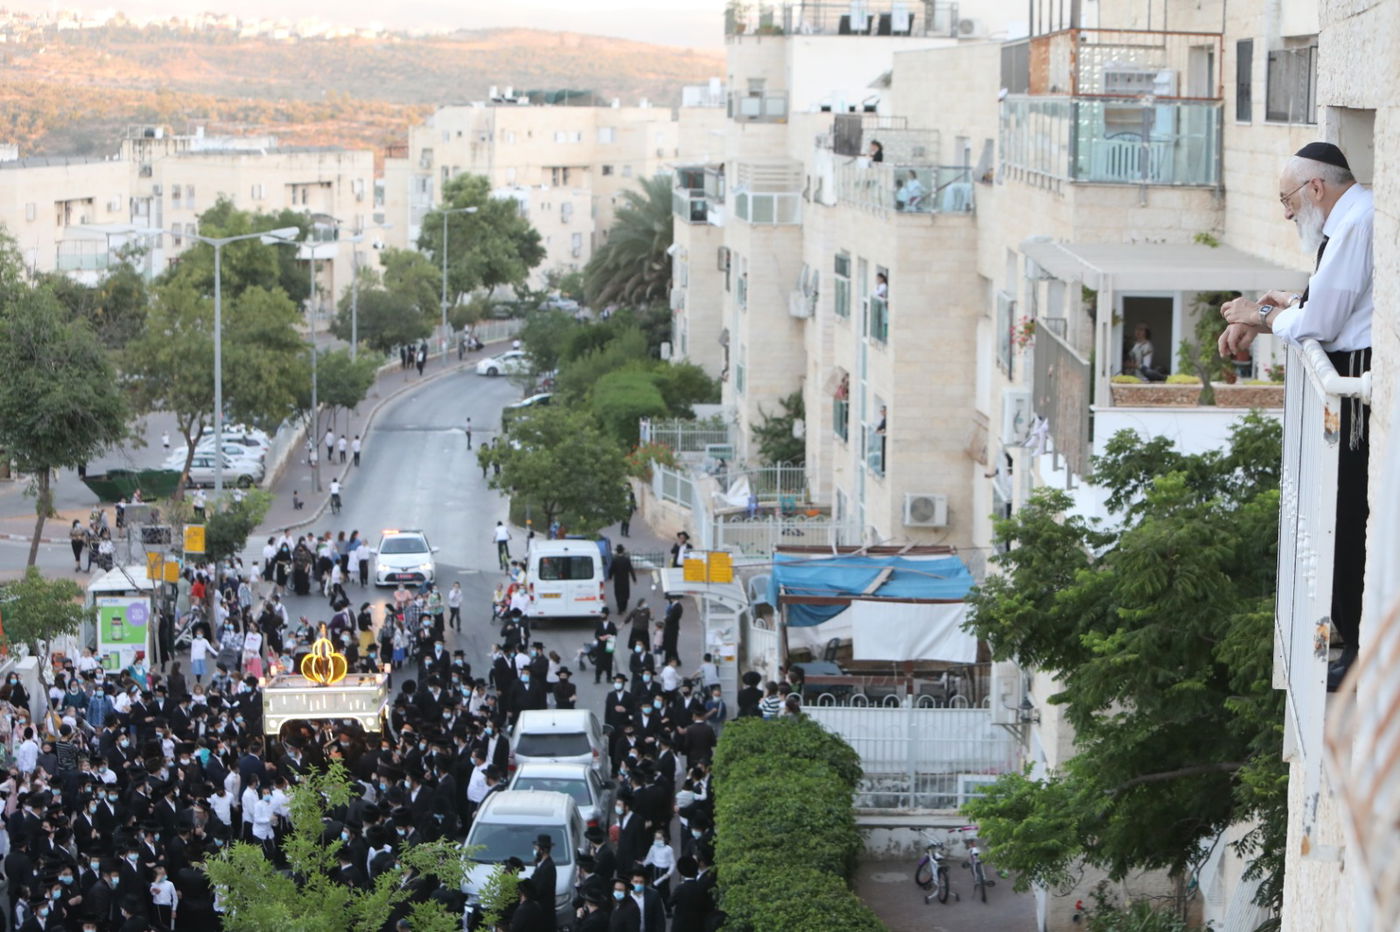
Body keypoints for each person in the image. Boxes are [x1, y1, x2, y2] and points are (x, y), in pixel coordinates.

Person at [1217, 141, 1372, 689]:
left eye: (1287, 200)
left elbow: (1321, 322)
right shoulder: (1351, 219)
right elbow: (1320, 304)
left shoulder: (1358, 223)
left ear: (1315, 188)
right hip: (1350, 376)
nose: (1286, 214)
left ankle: (1355, 647)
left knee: (1347, 516)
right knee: (1341, 511)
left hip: (1355, 383)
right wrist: (1269, 313)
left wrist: (1257, 313)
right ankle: (1349, 636)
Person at [609, 545, 636, 614]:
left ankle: (620, 608)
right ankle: (624, 607)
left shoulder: (614, 560)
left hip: (617, 581)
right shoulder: (626, 560)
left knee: (618, 594)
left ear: (617, 551)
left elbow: (611, 570)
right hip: (625, 580)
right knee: (625, 594)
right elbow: (631, 569)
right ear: (623, 551)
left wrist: (610, 577)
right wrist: (634, 579)